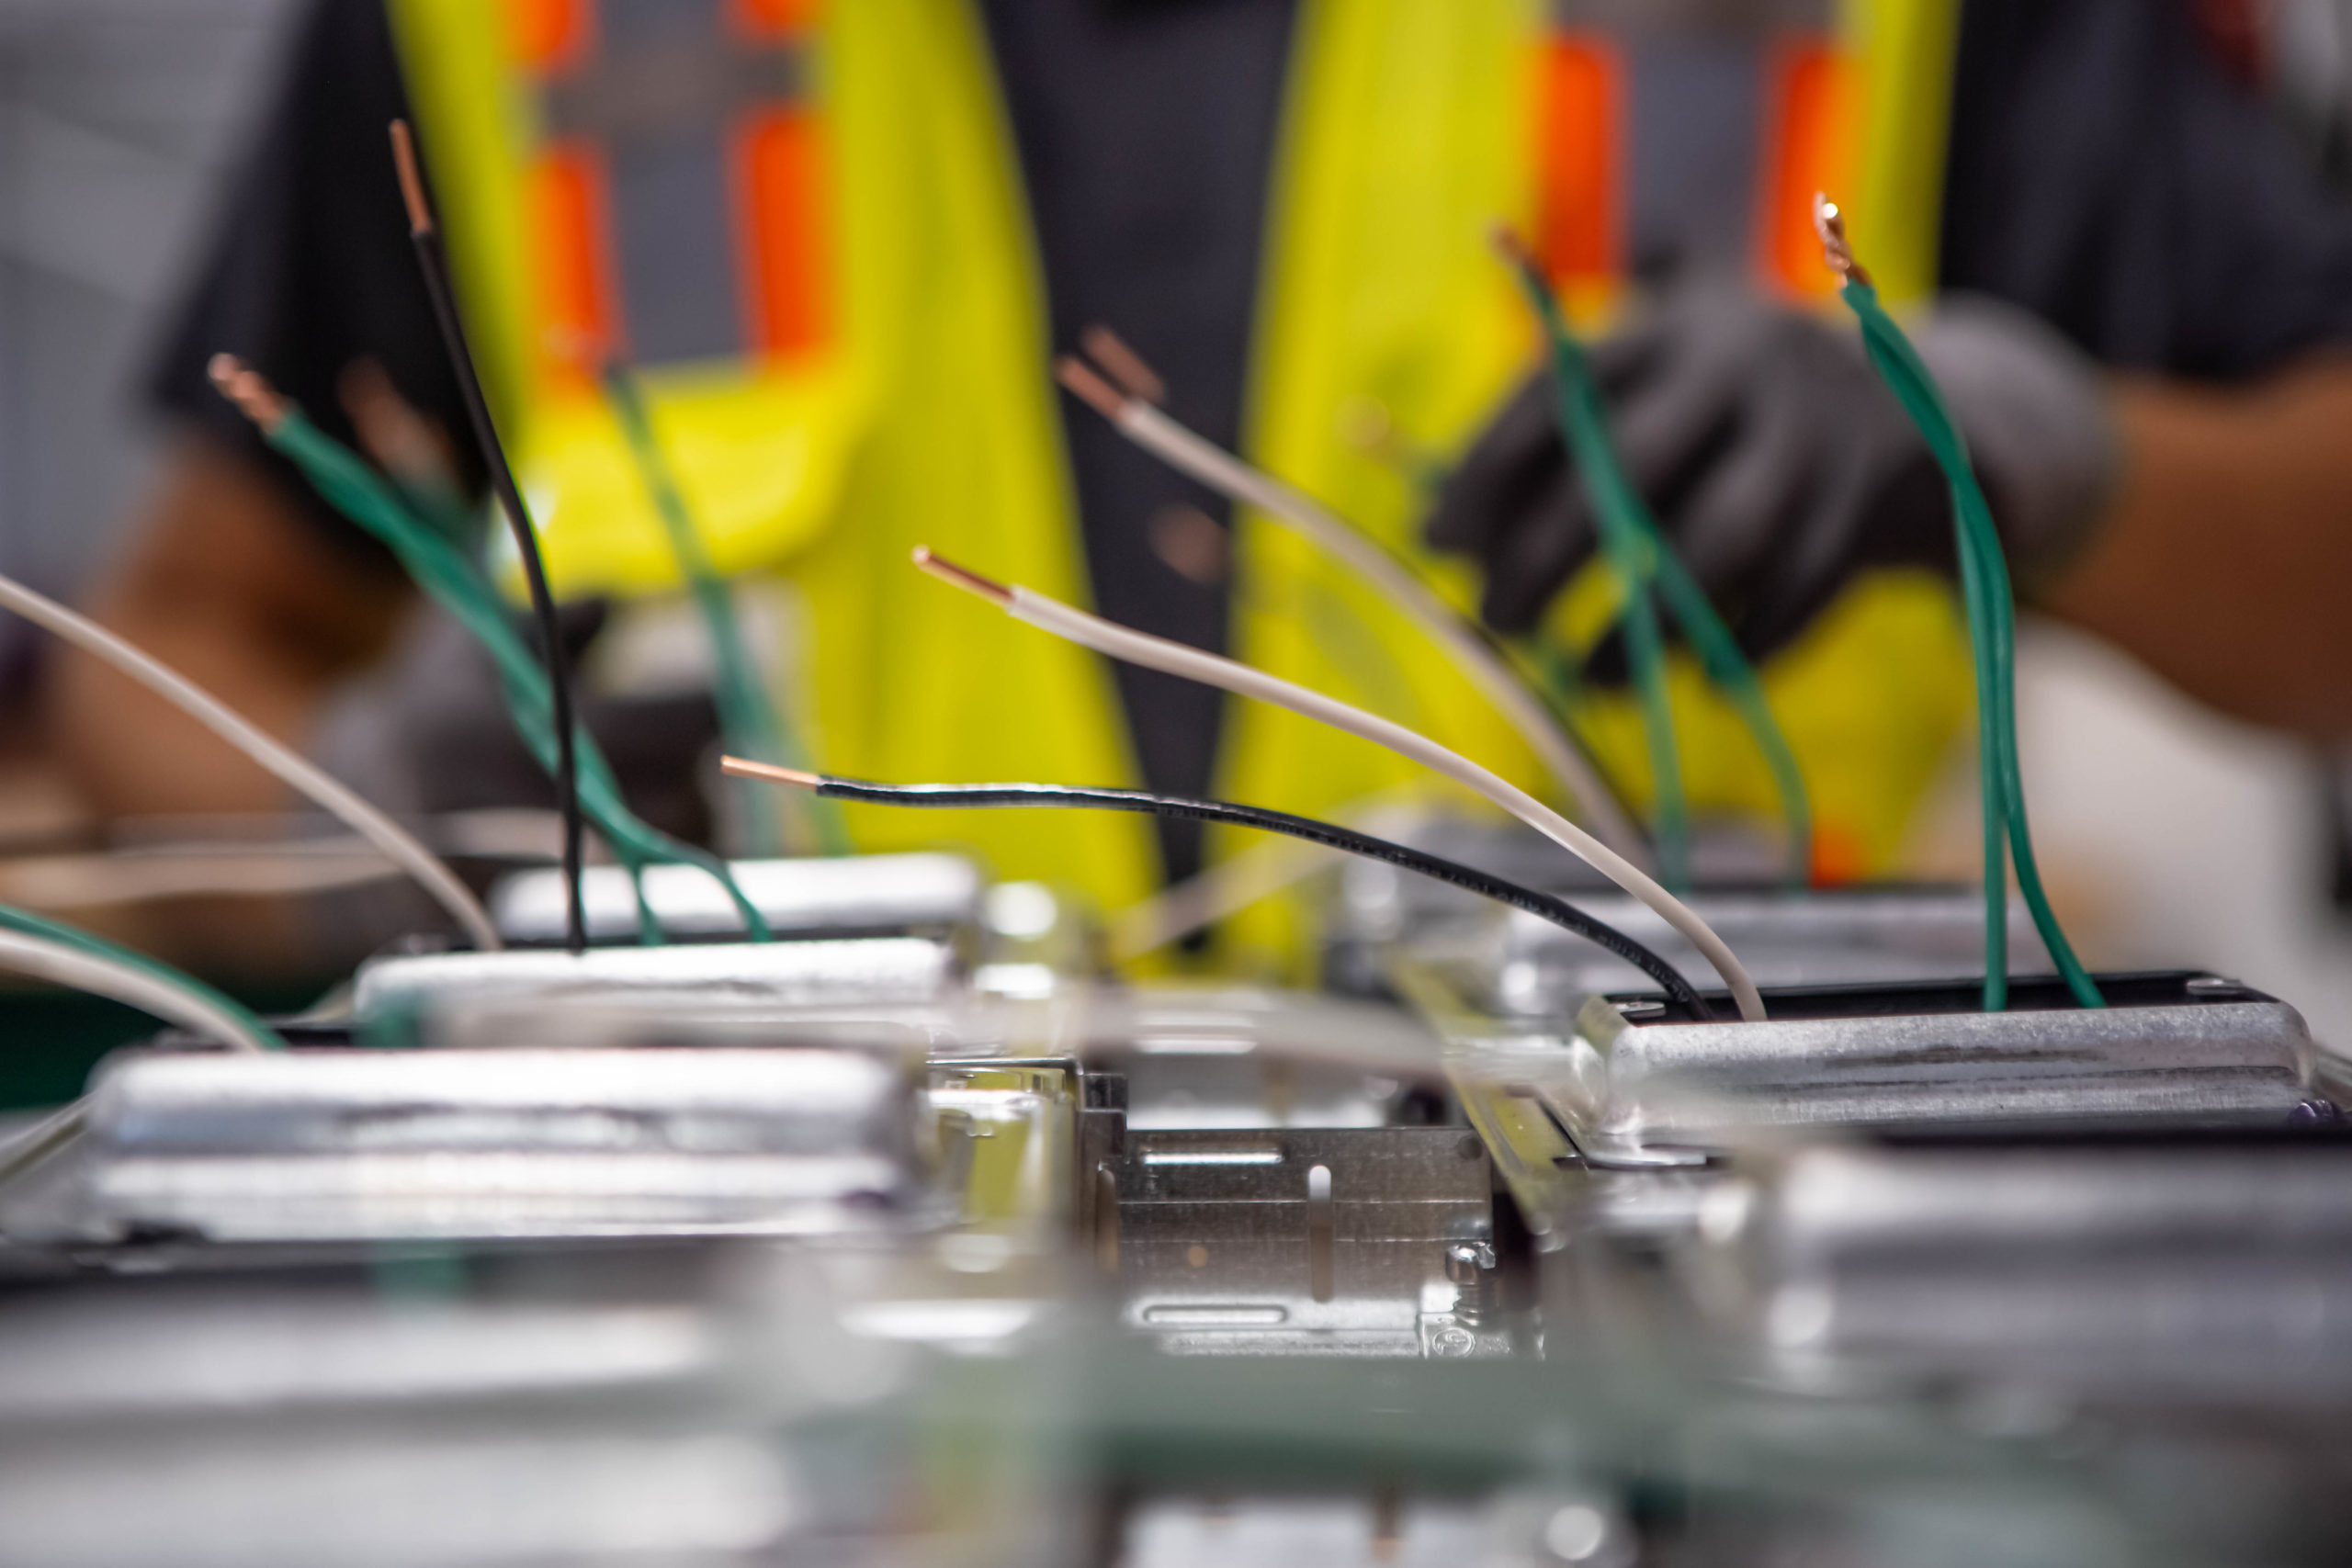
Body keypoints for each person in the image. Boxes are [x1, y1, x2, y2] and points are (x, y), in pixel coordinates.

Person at [41, 0, 2352, 971]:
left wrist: (2027, 450)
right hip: (776, 1330)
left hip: (1687, 1314)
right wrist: (355, 826)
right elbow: (176, 647)